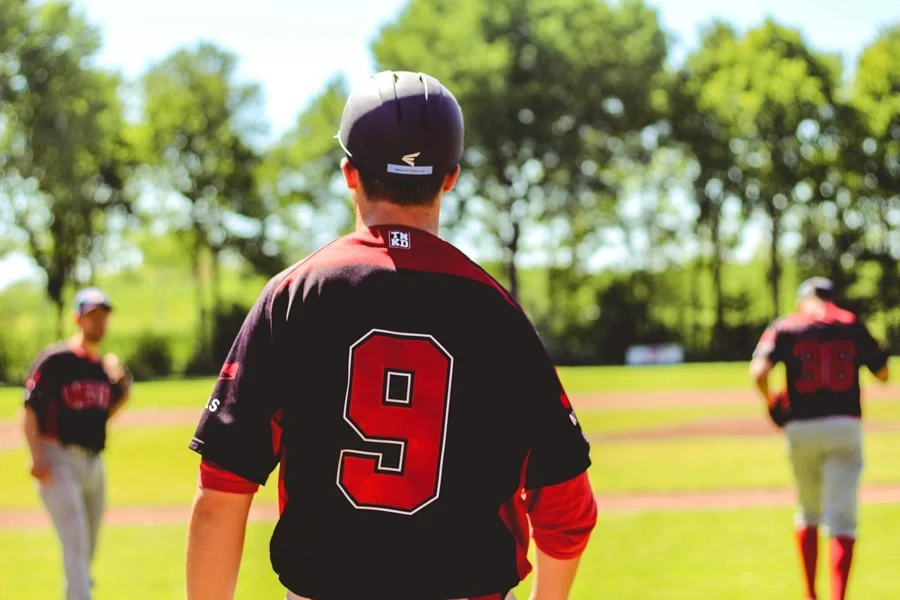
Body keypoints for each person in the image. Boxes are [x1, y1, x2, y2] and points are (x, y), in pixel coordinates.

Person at [186, 71, 597, 600]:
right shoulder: (498, 313)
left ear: (349, 172)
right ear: (450, 177)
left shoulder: (294, 295)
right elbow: (566, 506)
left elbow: (222, 491)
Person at [749, 277, 889, 600]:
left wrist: (771, 401)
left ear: (802, 299)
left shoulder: (787, 324)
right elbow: (883, 374)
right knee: (842, 521)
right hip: (844, 424)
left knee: (808, 511)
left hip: (801, 427)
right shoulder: (850, 322)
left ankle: (810, 594)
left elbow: (758, 372)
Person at [21, 287, 132, 600]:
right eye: (91, 316)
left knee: (89, 542)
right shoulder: (56, 360)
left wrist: (121, 388)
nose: (98, 322)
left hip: (95, 462)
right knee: (76, 539)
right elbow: (30, 410)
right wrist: (37, 457)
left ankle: (79, 585)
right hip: (58, 458)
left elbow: (99, 415)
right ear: (77, 319)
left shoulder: (101, 369)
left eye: (103, 316)